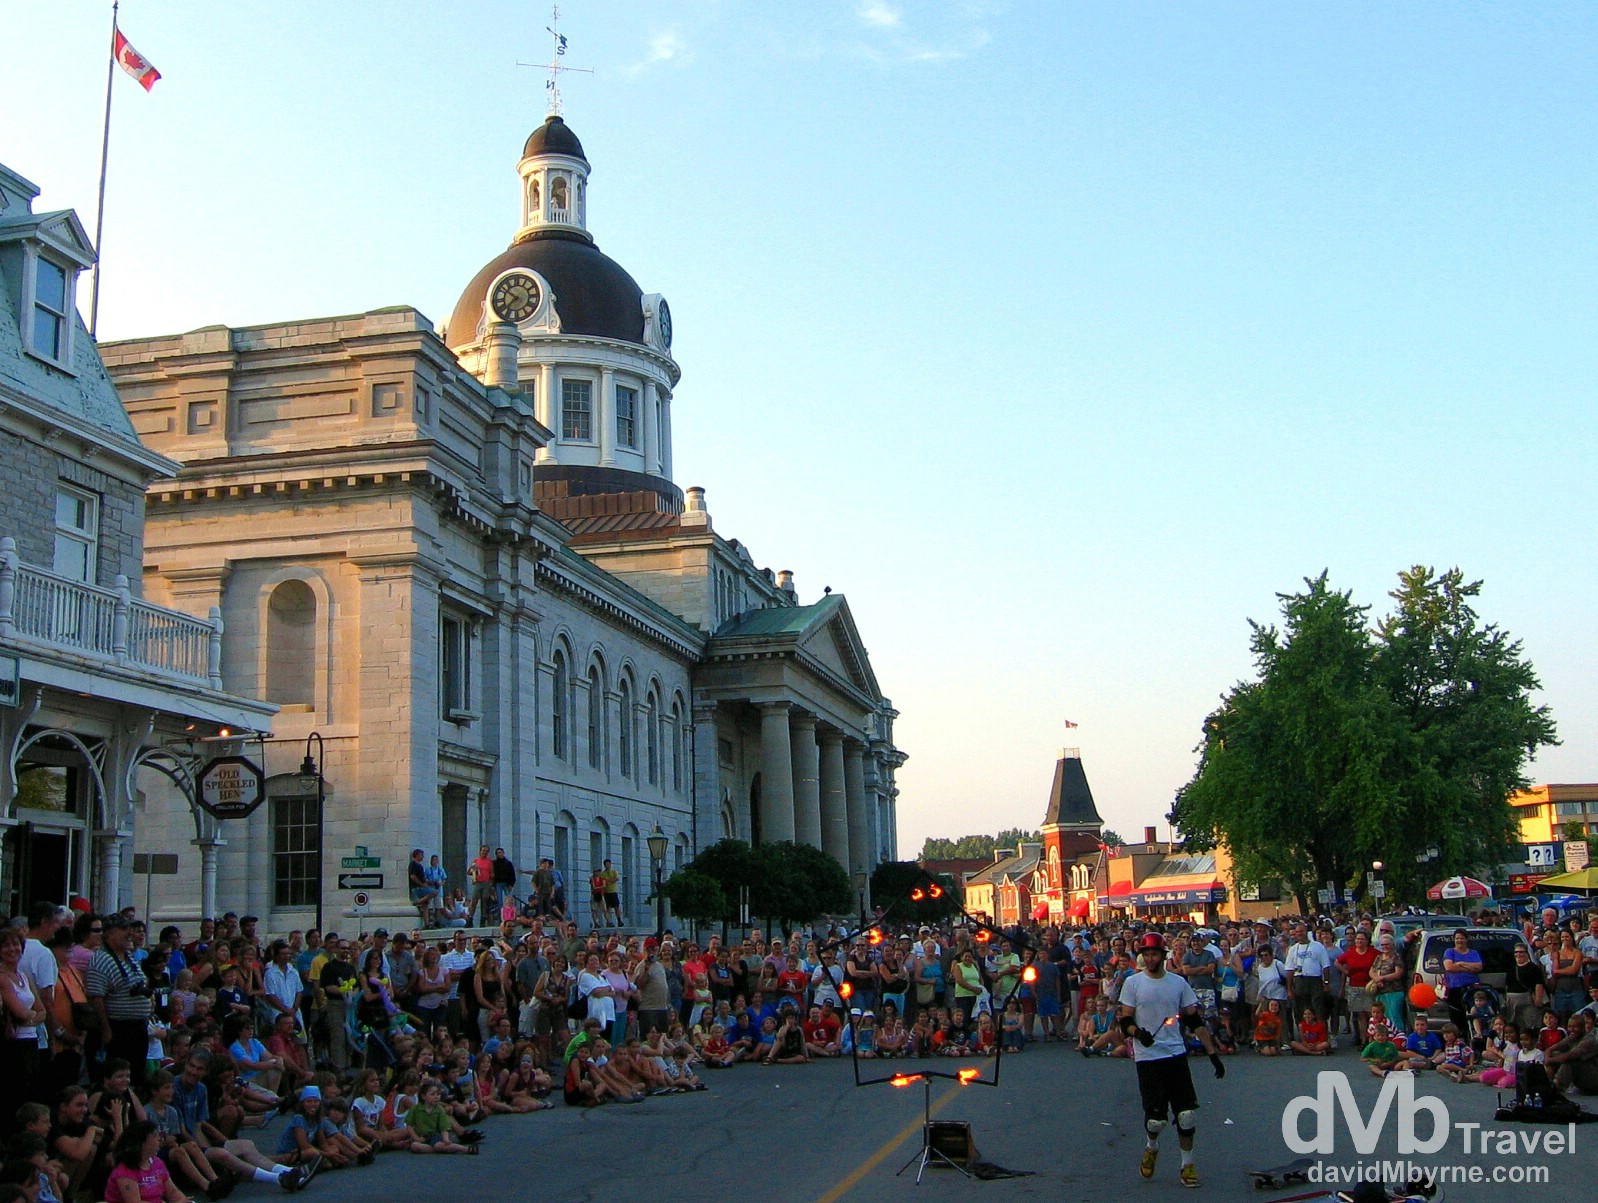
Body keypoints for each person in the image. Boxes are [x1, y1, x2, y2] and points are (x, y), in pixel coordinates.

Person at [1117, 932, 1222, 1189]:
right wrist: (1137, 1033)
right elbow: (1125, 1018)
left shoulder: (1178, 983)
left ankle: (1187, 1165)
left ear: (1163, 956)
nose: (1150, 958)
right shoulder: (1133, 983)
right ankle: (1152, 1146)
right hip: (1148, 1056)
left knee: (1186, 1115)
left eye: (1154, 954)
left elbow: (1194, 1020)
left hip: (1175, 1053)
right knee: (1157, 1120)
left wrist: (1213, 1054)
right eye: (1146, 954)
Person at [1441, 929, 1483, 1034]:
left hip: (1471, 988)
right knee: (1456, 1016)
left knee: (1472, 1015)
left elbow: (1478, 967)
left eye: (1462, 938)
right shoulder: (1449, 952)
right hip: (1455, 989)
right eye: (1457, 938)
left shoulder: (1474, 953)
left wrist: (1461, 963)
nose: (1459, 940)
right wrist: (1470, 968)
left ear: (1466, 939)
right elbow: (1449, 967)